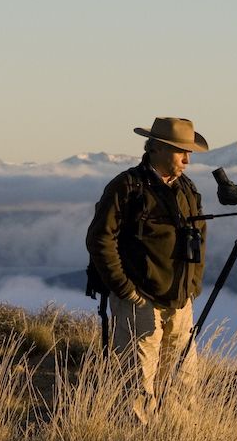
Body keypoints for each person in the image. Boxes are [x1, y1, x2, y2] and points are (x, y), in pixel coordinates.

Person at [86, 117, 208, 423]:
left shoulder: (187, 190)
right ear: (157, 149)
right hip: (139, 299)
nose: (187, 159)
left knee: (183, 380)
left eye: (188, 152)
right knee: (137, 383)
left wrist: (192, 286)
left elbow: (200, 238)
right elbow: (100, 240)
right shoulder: (127, 187)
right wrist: (126, 289)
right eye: (182, 151)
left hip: (179, 300)